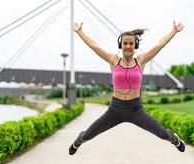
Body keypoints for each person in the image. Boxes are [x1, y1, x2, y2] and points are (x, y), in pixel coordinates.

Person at [69, 21, 185, 155]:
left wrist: (174, 31)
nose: (128, 46)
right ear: (121, 45)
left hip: (135, 109)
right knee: (88, 135)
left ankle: (175, 140)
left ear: (135, 45)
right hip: (115, 109)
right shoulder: (113, 60)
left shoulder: (140, 60)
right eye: (125, 43)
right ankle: (78, 141)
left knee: (162, 133)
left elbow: (160, 45)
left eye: (131, 43)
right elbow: (94, 46)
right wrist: (80, 32)